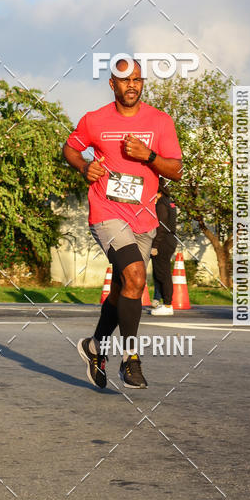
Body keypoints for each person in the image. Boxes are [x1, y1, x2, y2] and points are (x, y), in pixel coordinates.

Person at [63, 59, 182, 390]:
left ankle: (95, 346)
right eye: (124, 80)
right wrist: (84, 167)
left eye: (137, 80)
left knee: (125, 288)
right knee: (136, 277)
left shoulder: (160, 121)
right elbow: (70, 149)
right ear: (112, 84)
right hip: (106, 212)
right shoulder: (94, 120)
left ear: (142, 84)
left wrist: (149, 156)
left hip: (144, 217)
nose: (132, 85)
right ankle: (131, 359)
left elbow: (175, 170)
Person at [150, 179, 177, 316]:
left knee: (163, 273)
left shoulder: (161, 204)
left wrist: (155, 245)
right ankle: (163, 302)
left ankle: (167, 305)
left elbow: (161, 227)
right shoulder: (170, 202)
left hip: (163, 241)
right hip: (170, 239)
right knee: (162, 272)